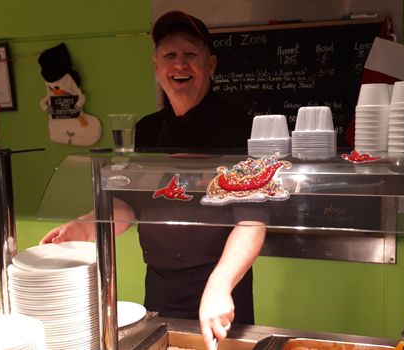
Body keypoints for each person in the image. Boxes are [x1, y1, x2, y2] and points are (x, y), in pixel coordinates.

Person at [40, 11, 265, 350]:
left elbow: (252, 220)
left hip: (219, 286)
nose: (180, 64)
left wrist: (220, 285)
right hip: (159, 287)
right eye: (170, 56)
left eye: (190, 54)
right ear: (157, 66)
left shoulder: (241, 129)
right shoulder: (144, 131)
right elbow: (129, 205)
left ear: (212, 64)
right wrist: (86, 227)